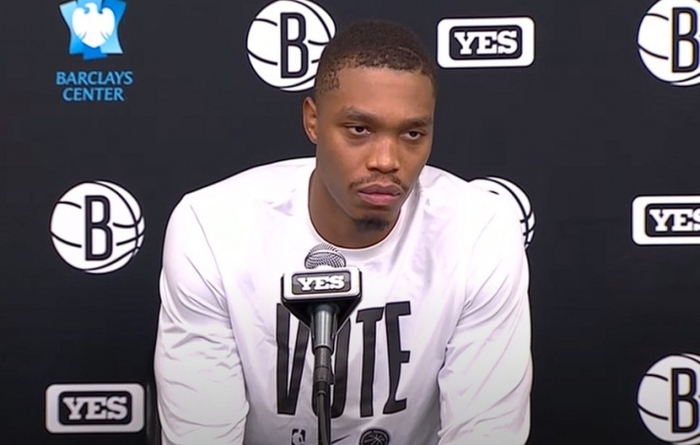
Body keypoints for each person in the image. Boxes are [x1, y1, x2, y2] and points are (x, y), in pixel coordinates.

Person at [154, 18, 532, 445]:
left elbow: (486, 433)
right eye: (359, 130)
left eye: (412, 133)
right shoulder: (213, 229)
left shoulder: (479, 231)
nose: (386, 160)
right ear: (313, 121)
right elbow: (201, 434)